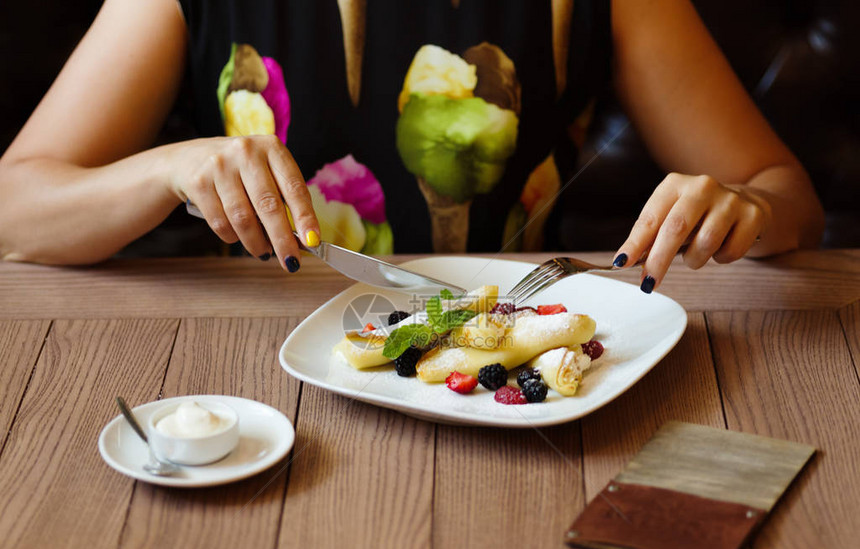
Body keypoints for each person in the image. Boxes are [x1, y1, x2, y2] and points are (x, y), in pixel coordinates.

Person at [0, 0, 824, 293]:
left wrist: (747, 208)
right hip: (255, 380)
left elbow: (786, 194)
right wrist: (170, 167)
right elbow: (16, 208)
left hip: (511, 370)